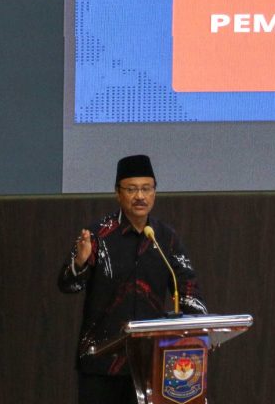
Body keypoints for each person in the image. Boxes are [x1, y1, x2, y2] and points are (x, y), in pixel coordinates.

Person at [58, 155, 207, 404]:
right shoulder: (97, 235)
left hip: (150, 361)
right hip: (101, 361)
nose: (140, 196)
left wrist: (199, 331)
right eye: (132, 189)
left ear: (154, 192)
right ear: (118, 193)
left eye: (146, 188)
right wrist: (80, 263)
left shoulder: (165, 238)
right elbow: (67, 284)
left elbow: (188, 287)